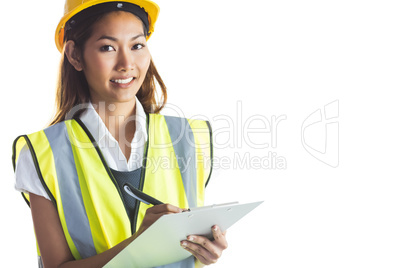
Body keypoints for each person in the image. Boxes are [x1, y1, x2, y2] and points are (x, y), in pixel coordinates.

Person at [12, 0, 228, 267]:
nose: (127, 63)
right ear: (74, 55)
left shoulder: (192, 138)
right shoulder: (42, 153)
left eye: (137, 45)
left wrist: (206, 248)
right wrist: (139, 246)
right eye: (108, 48)